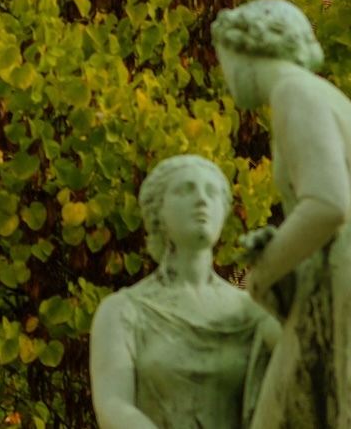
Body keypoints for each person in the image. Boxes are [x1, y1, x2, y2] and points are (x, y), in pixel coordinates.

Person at [214, 0, 351, 429]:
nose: (226, 78)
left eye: (225, 61)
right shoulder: (317, 95)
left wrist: (265, 272)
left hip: (349, 293)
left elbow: (327, 203)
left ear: (247, 51)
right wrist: (283, 245)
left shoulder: (293, 92)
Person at [90, 154, 279, 429]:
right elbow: (113, 406)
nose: (202, 200)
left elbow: (305, 352)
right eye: (185, 190)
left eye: (212, 192)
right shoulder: (122, 310)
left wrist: (282, 269)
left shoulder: (250, 312)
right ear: (158, 212)